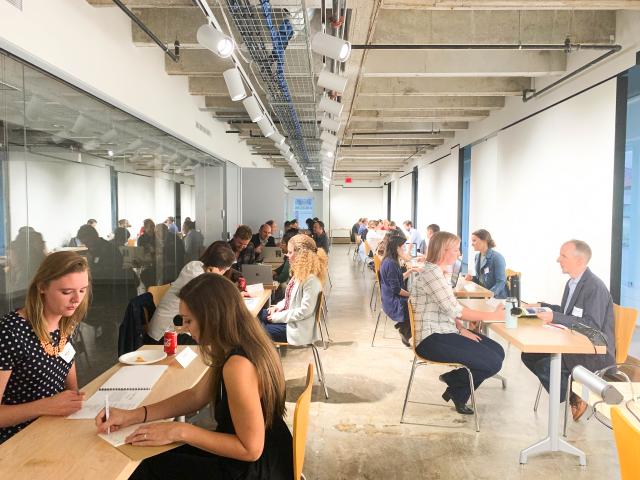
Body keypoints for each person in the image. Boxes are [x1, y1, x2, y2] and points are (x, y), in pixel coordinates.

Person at [96, 273, 293, 480]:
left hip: (254, 468)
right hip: (267, 455)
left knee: (144, 467)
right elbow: (196, 396)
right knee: (155, 454)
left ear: (212, 317)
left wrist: (179, 431)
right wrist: (133, 415)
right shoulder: (239, 345)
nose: (185, 329)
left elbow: (250, 449)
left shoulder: (238, 365)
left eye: (189, 321)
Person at [409, 231, 505, 415]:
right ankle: (455, 384)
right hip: (430, 339)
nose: (459, 253)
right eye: (456, 249)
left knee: (497, 352)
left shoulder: (437, 273)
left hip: (444, 331)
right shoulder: (433, 275)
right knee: (492, 362)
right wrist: (493, 316)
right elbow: (457, 311)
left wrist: (461, 329)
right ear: (444, 251)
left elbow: (449, 308)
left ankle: (456, 389)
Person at [0, 251, 90, 443]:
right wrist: (46, 406)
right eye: (67, 292)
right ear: (42, 287)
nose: (76, 299)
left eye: (82, 290)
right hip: (16, 441)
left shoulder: (65, 323)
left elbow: (71, 389)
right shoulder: (10, 333)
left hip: (54, 430)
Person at [521, 240, 615, 421]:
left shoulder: (594, 287)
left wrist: (554, 317)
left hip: (593, 350)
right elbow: (568, 313)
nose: (558, 259)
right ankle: (574, 391)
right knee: (528, 355)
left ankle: (576, 394)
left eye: (563, 256)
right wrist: (543, 306)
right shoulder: (572, 283)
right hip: (573, 343)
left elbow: (592, 326)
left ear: (580, 261)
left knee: (545, 366)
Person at [146, 241, 235, 344]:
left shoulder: (196, 265)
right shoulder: (197, 278)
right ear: (213, 267)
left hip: (178, 326)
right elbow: (212, 305)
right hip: (165, 335)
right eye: (223, 270)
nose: (223, 274)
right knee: (216, 340)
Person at [261, 234, 327, 344]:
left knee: (254, 332)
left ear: (302, 255)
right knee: (254, 317)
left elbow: (304, 312)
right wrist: (277, 307)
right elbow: (289, 298)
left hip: (296, 328)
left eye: (290, 252)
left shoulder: (311, 280)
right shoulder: (300, 274)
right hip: (289, 319)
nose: (287, 255)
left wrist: (277, 317)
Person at [379, 235, 418, 347]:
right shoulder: (391, 263)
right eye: (403, 247)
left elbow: (396, 279)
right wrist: (411, 294)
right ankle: (406, 331)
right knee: (417, 303)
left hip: (388, 298)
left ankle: (405, 329)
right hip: (393, 301)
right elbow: (396, 289)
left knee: (415, 301)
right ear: (396, 248)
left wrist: (409, 271)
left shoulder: (389, 260)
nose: (404, 250)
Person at [464, 229, 508, 299]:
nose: (472, 244)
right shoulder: (477, 256)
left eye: (474, 240)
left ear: (484, 241)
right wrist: (472, 278)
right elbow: (481, 278)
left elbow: (501, 282)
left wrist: (488, 295)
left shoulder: (497, 258)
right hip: (482, 293)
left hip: (495, 297)